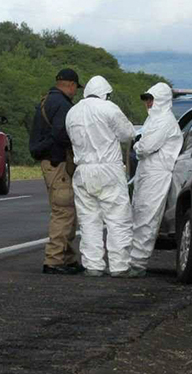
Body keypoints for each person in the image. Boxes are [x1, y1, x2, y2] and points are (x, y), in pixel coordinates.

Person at [65, 75, 137, 277]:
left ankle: (93, 265)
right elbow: (128, 133)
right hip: (108, 169)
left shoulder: (72, 112)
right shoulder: (108, 108)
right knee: (117, 219)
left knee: (89, 220)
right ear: (106, 93)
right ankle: (119, 266)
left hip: (83, 171)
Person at [29, 68, 84, 275]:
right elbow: (62, 134)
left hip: (48, 160)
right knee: (64, 210)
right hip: (57, 162)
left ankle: (67, 258)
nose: (75, 92)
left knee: (67, 209)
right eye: (75, 88)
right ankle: (54, 260)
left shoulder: (47, 100)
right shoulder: (62, 105)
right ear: (70, 85)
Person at [130, 83, 183, 275]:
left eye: (151, 99)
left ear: (161, 100)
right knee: (138, 214)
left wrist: (138, 146)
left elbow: (145, 146)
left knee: (148, 217)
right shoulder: (153, 120)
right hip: (147, 172)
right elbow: (143, 145)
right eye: (146, 99)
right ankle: (132, 259)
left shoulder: (165, 121)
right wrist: (140, 146)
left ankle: (137, 263)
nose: (148, 103)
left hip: (157, 175)